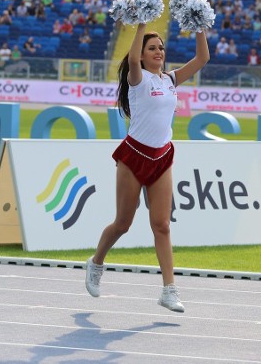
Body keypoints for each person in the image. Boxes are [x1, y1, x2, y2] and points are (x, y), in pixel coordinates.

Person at [85, 22, 210, 311]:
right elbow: (130, 59)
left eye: (161, 48)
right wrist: (142, 22)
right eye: (152, 48)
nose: (159, 52)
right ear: (141, 55)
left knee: (162, 225)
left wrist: (200, 26)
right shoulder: (137, 79)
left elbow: (202, 59)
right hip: (133, 157)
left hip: (162, 157)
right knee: (123, 223)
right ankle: (96, 262)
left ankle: (169, 289)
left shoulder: (170, 80)